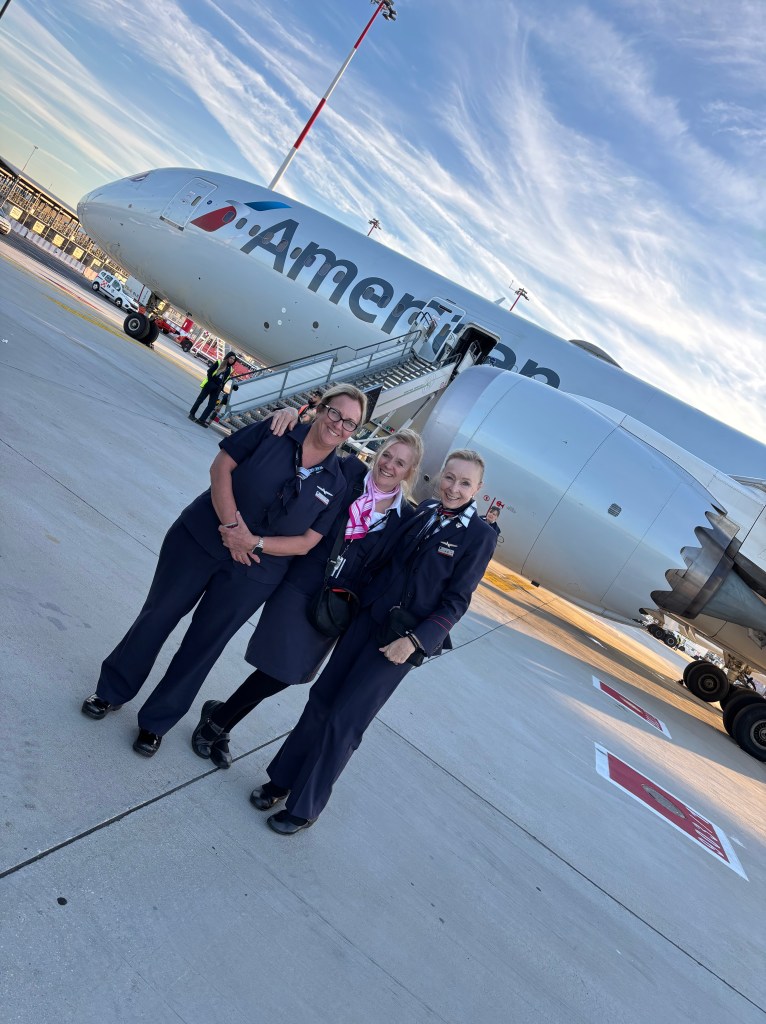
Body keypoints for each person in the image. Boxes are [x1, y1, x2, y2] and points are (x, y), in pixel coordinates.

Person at [80, 384, 367, 757]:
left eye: (349, 423)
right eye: (335, 413)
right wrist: (232, 528)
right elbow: (221, 466)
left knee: (204, 645)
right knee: (157, 617)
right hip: (199, 540)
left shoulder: (337, 482)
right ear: (322, 408)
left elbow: (307, 542)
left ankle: (156, 722)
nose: (339, 425)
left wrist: (253, 543)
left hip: (253, 572)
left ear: (353, 432)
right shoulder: (275, 429)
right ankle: (111, 691)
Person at [248, 449, 497, 834]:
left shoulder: (478, 536)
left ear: (478, 489)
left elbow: (457, 601)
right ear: (439, 477)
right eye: (449, 477)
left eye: (465, 483)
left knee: (345, 720)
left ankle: (305, 807)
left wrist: (415, 641)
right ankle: (281, 781)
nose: (453, 488)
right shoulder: (426, 511)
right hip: (365, 621)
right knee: (320, 702)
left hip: (399, 642)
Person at [190, 423, 424, 768]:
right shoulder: (348, 472)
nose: (389, 465)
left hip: (337, 604)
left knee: (290, 674)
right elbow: (312, 448)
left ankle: (220, 717)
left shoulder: (406, 518)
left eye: (400, 462)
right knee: (279, 668)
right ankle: (218, 722)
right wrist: (293, 416)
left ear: (410, 471)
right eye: (387, 455)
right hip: (302, 583)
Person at [189, 352, 237, 426]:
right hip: (210, 385)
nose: (232, 360)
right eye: (231, 358)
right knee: (200, 400)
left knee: (212, 406)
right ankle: (192, 414)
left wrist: (233, 386)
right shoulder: (219, 362)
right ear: (227, 357)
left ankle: (201, 420)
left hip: (217, 389)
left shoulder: (230, 369)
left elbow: (226, 380)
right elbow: (210, 371)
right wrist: (210, 382)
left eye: (233, 359)